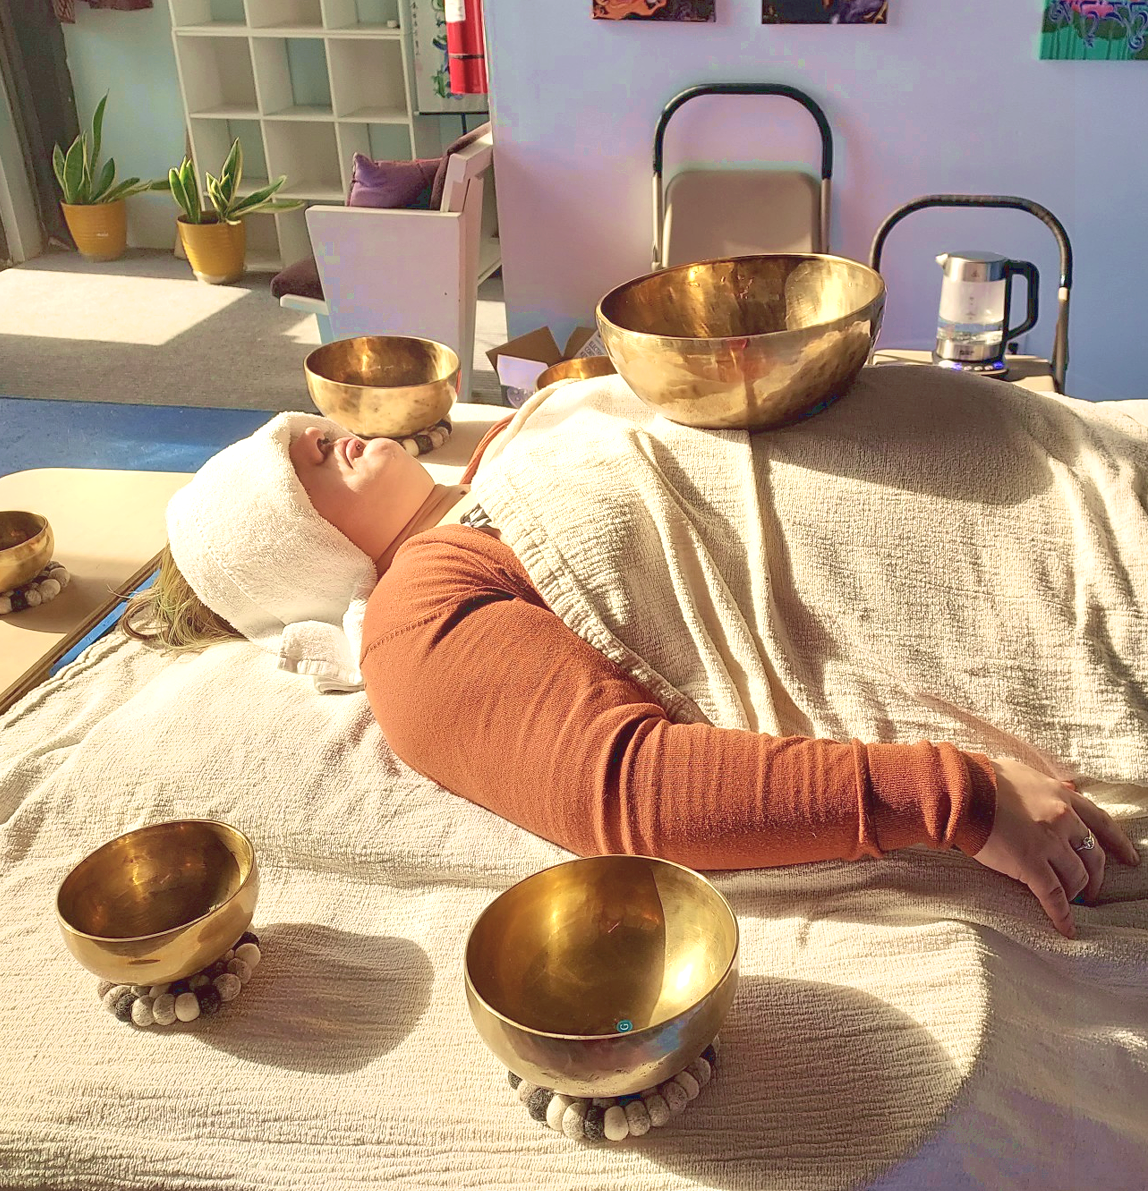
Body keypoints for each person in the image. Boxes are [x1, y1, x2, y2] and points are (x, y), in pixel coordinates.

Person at [122, 381, 1144, 940]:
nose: (319, 431)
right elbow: (623, 789)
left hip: (1064, 454)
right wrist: (958, 796)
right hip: (1066, 573)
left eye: (303, 432)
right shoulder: (411, 626)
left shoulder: (507, 445)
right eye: (293, 470)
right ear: (292, 550)